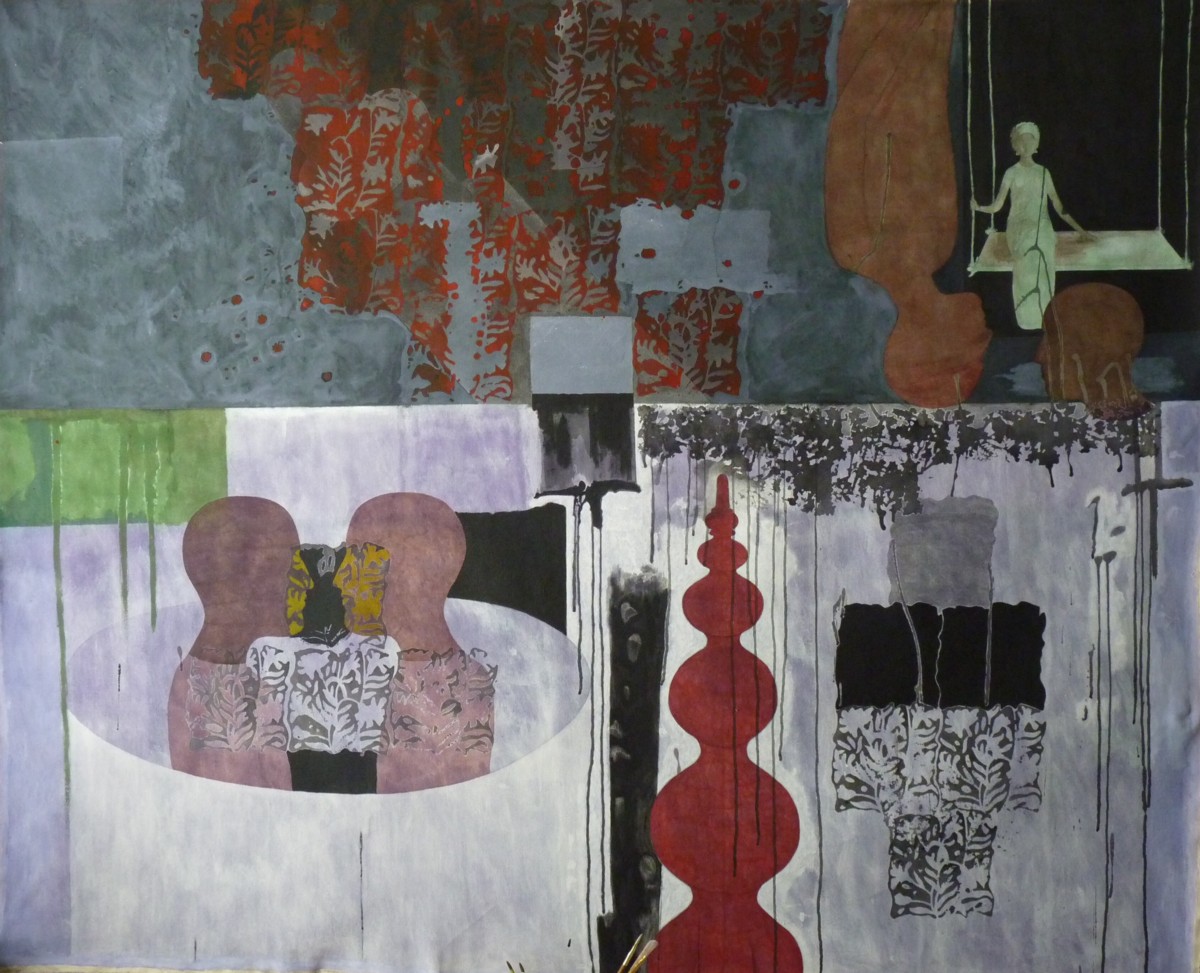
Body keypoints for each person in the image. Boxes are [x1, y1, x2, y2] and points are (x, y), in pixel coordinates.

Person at [972, 122, 1093, 330]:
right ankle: (1026, 318)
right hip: (1018, 228)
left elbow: (1058, 206)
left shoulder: (1043, 172)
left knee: (1044, 249)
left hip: (1041, 226)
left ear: (1036, 144)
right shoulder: (1011, 173)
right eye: (1022, 141)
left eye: (1031, 140)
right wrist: (979, 208)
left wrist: (1081, 231)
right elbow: (998, 205)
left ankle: (1045, 316)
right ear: (1016, 146)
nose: (1027, 145)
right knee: (1028, 250)